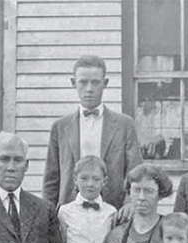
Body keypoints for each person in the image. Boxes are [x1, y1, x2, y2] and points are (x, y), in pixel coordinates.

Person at [43, 54, 143, 221]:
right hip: (69, 214)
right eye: (83, 82)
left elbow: (136, 172)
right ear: (73, 83)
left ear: (105, 84)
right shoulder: (60, 127)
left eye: (95, 82)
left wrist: (130, 203)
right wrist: (48, 216)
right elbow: (51, 179)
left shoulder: (125, 125)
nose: (89, 88)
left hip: (114, 212)